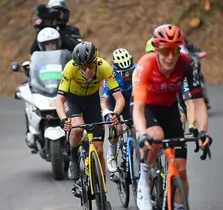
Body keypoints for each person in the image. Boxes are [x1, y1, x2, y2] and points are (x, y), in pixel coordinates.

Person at [133, 24, 212, 210]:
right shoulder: (146, 65)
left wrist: (202, 131)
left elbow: (198, 103)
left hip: (170, 111)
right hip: (148, 109)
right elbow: (137, 108)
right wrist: (143, 133)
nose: (171, 57)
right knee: (156, 136)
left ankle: (178, 206)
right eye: (166, 51)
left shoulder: (186, 63)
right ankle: (144, 177)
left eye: (175, 50)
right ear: (157, 49)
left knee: (181, 169)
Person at [56, 41, 125, 180]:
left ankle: (102, 191)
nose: (88, 70)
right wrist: (63, 118)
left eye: (91, 65)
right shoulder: (70, 68)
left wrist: (116, 114)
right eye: (83, 66)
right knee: (77, 129)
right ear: (77, 65)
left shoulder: (103, 67)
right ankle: (73, 156)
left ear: (96, 61)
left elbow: (120, 98)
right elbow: (59, 99)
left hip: (92, 101)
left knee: (99, 150)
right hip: (73, 100)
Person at [14, 27, 64, 153]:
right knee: (28, 103)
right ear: (41, 45)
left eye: (53, 43)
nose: (50, 46)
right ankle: (31, 132)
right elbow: (33, 75)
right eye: (47, 44)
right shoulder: (37, 61)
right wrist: (28, 75)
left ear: (58, 42)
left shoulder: (64, 58)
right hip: (44, 91)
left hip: (60, 91)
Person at [145, 38, 199, 133]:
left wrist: (192, 125)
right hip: (150, 106)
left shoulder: (178, 71)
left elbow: (189, 102)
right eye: (151, 55)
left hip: (169, 106)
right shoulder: (144, 70)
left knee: (181, 117)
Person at [100, 48, 136, 173]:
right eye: (123, 73)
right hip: (113, 103)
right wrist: (107, 112)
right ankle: (112, 152)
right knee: (117, 128)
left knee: (137, 127)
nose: (127, 75)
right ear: (116, 70)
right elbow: (104, 100)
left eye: (129, 71)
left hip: (131, 101)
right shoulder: (110, 75)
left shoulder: (137, 70)